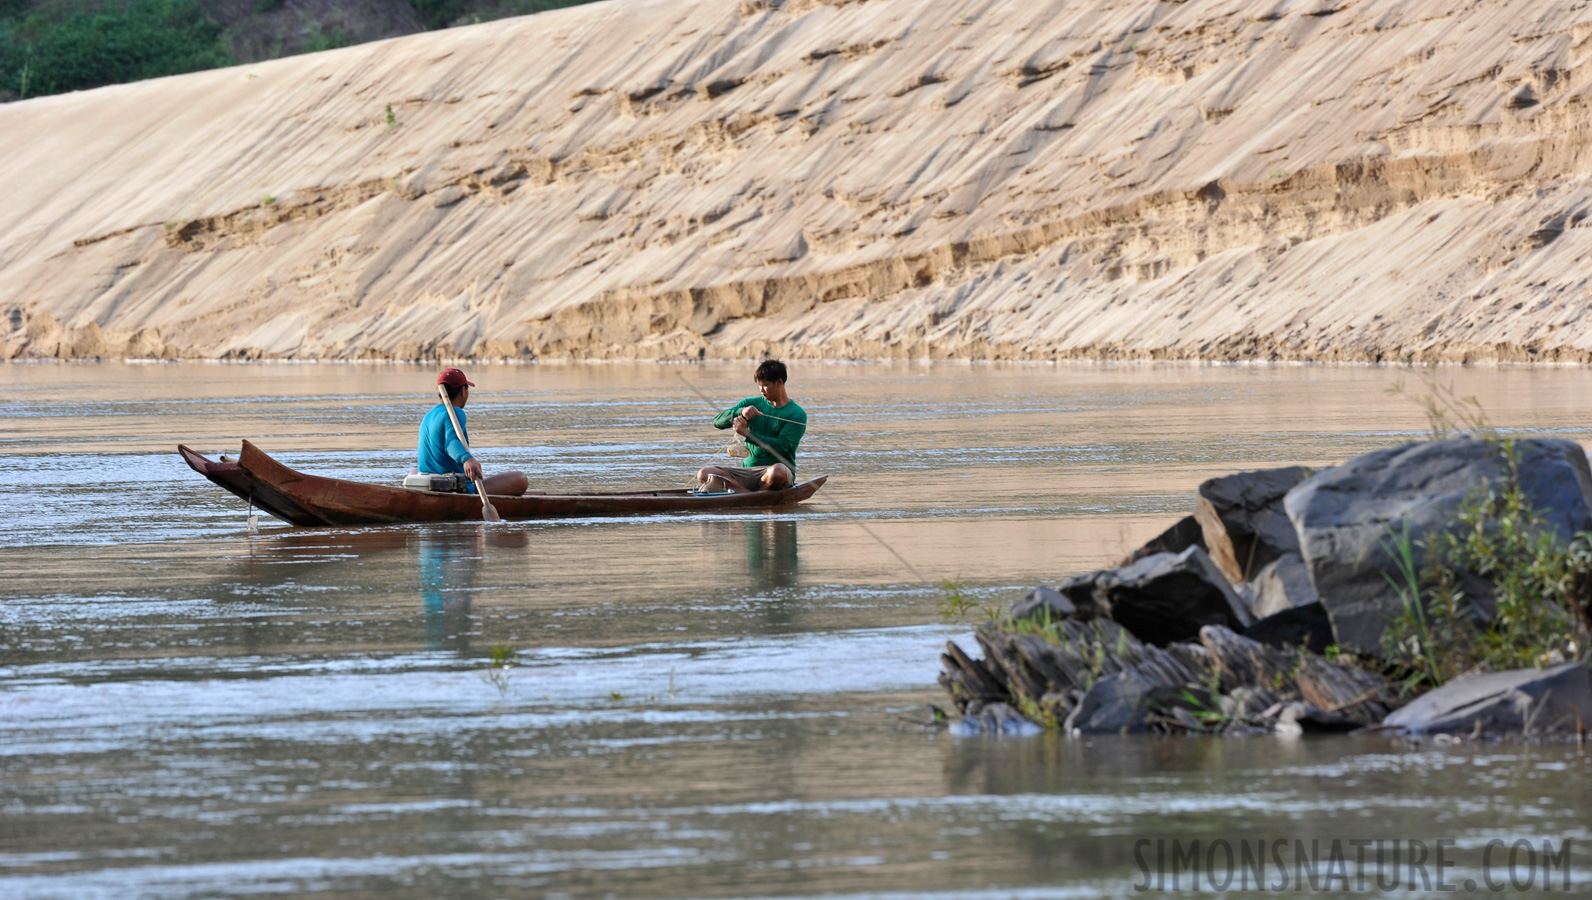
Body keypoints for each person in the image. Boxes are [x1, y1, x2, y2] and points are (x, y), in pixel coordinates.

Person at [696, 359, 807, 493]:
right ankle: (748, 493)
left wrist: (747, 433)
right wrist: (740, 411)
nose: (761, 390)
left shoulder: (796, 413)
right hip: (746, 472)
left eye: (765, 385)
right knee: (704, 474)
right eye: (759, 385)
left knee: (777, 472)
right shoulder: (750, 404)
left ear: (779, 383)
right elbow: (717, 421)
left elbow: (781, 446)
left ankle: (743, 493)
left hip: (774, 472)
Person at [418, 368, 528, 496]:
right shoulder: (455, 412)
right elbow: (451, 442)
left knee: (414, 471)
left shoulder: (428, 416)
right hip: (456, 489)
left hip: (428, 484)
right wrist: (467, 459)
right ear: (463, 392)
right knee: (520, 478)